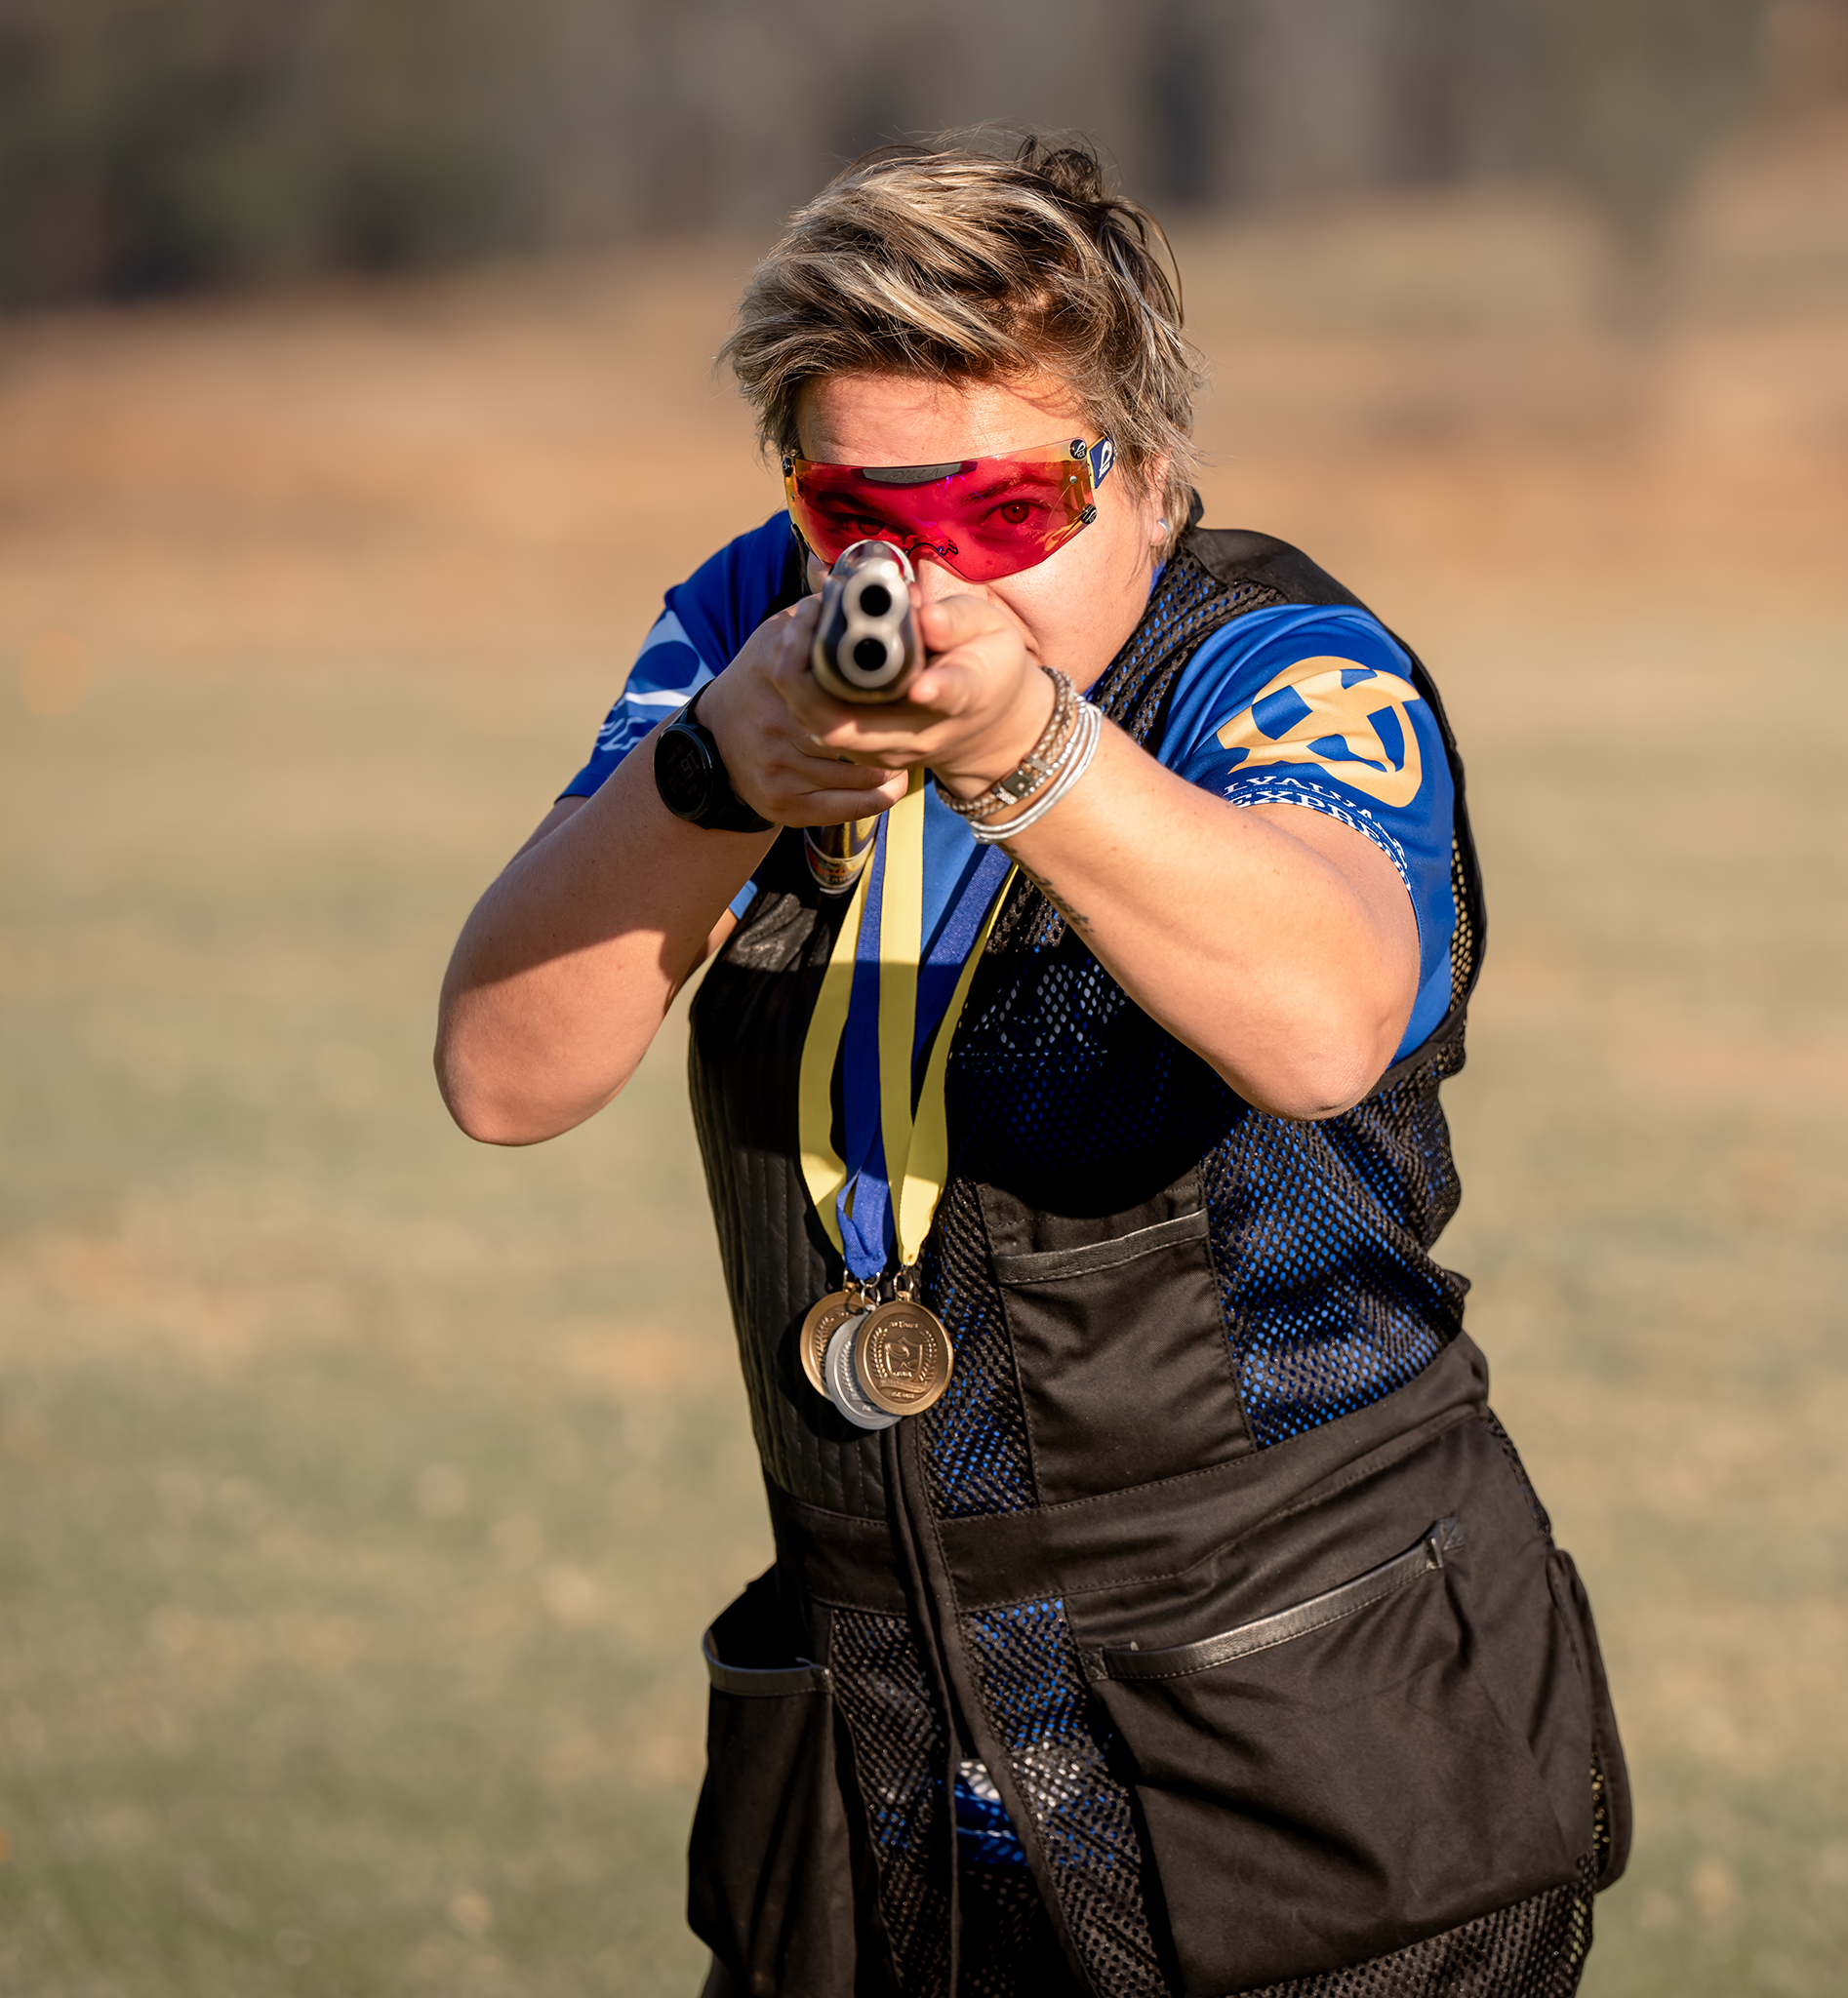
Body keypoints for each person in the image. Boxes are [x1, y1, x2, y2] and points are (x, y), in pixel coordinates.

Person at [435, 135, 1628, 1998]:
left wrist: (1032, 757)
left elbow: (1323, 1022)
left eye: (1003, 511)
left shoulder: (1272, 661)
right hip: (892, 1729)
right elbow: (504, 1070)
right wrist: (709, 780)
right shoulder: (756, 621)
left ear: (1149, 478)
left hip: (1303, 1739)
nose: (920, 574)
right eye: (856, 512)